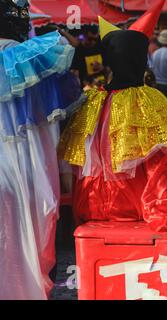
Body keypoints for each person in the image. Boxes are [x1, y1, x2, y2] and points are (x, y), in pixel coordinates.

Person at [58, 1, 167, 252]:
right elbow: (160, 165)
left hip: (94, 211)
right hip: (138, 212)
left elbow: (78, 169)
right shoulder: (148, 101)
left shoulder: (93, 101)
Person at [0, 0, 84, 299]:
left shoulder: (35, 57)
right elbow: (53, 125)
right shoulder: (39, 58)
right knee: (29, 240)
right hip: (29, 170)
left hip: (18, 168)